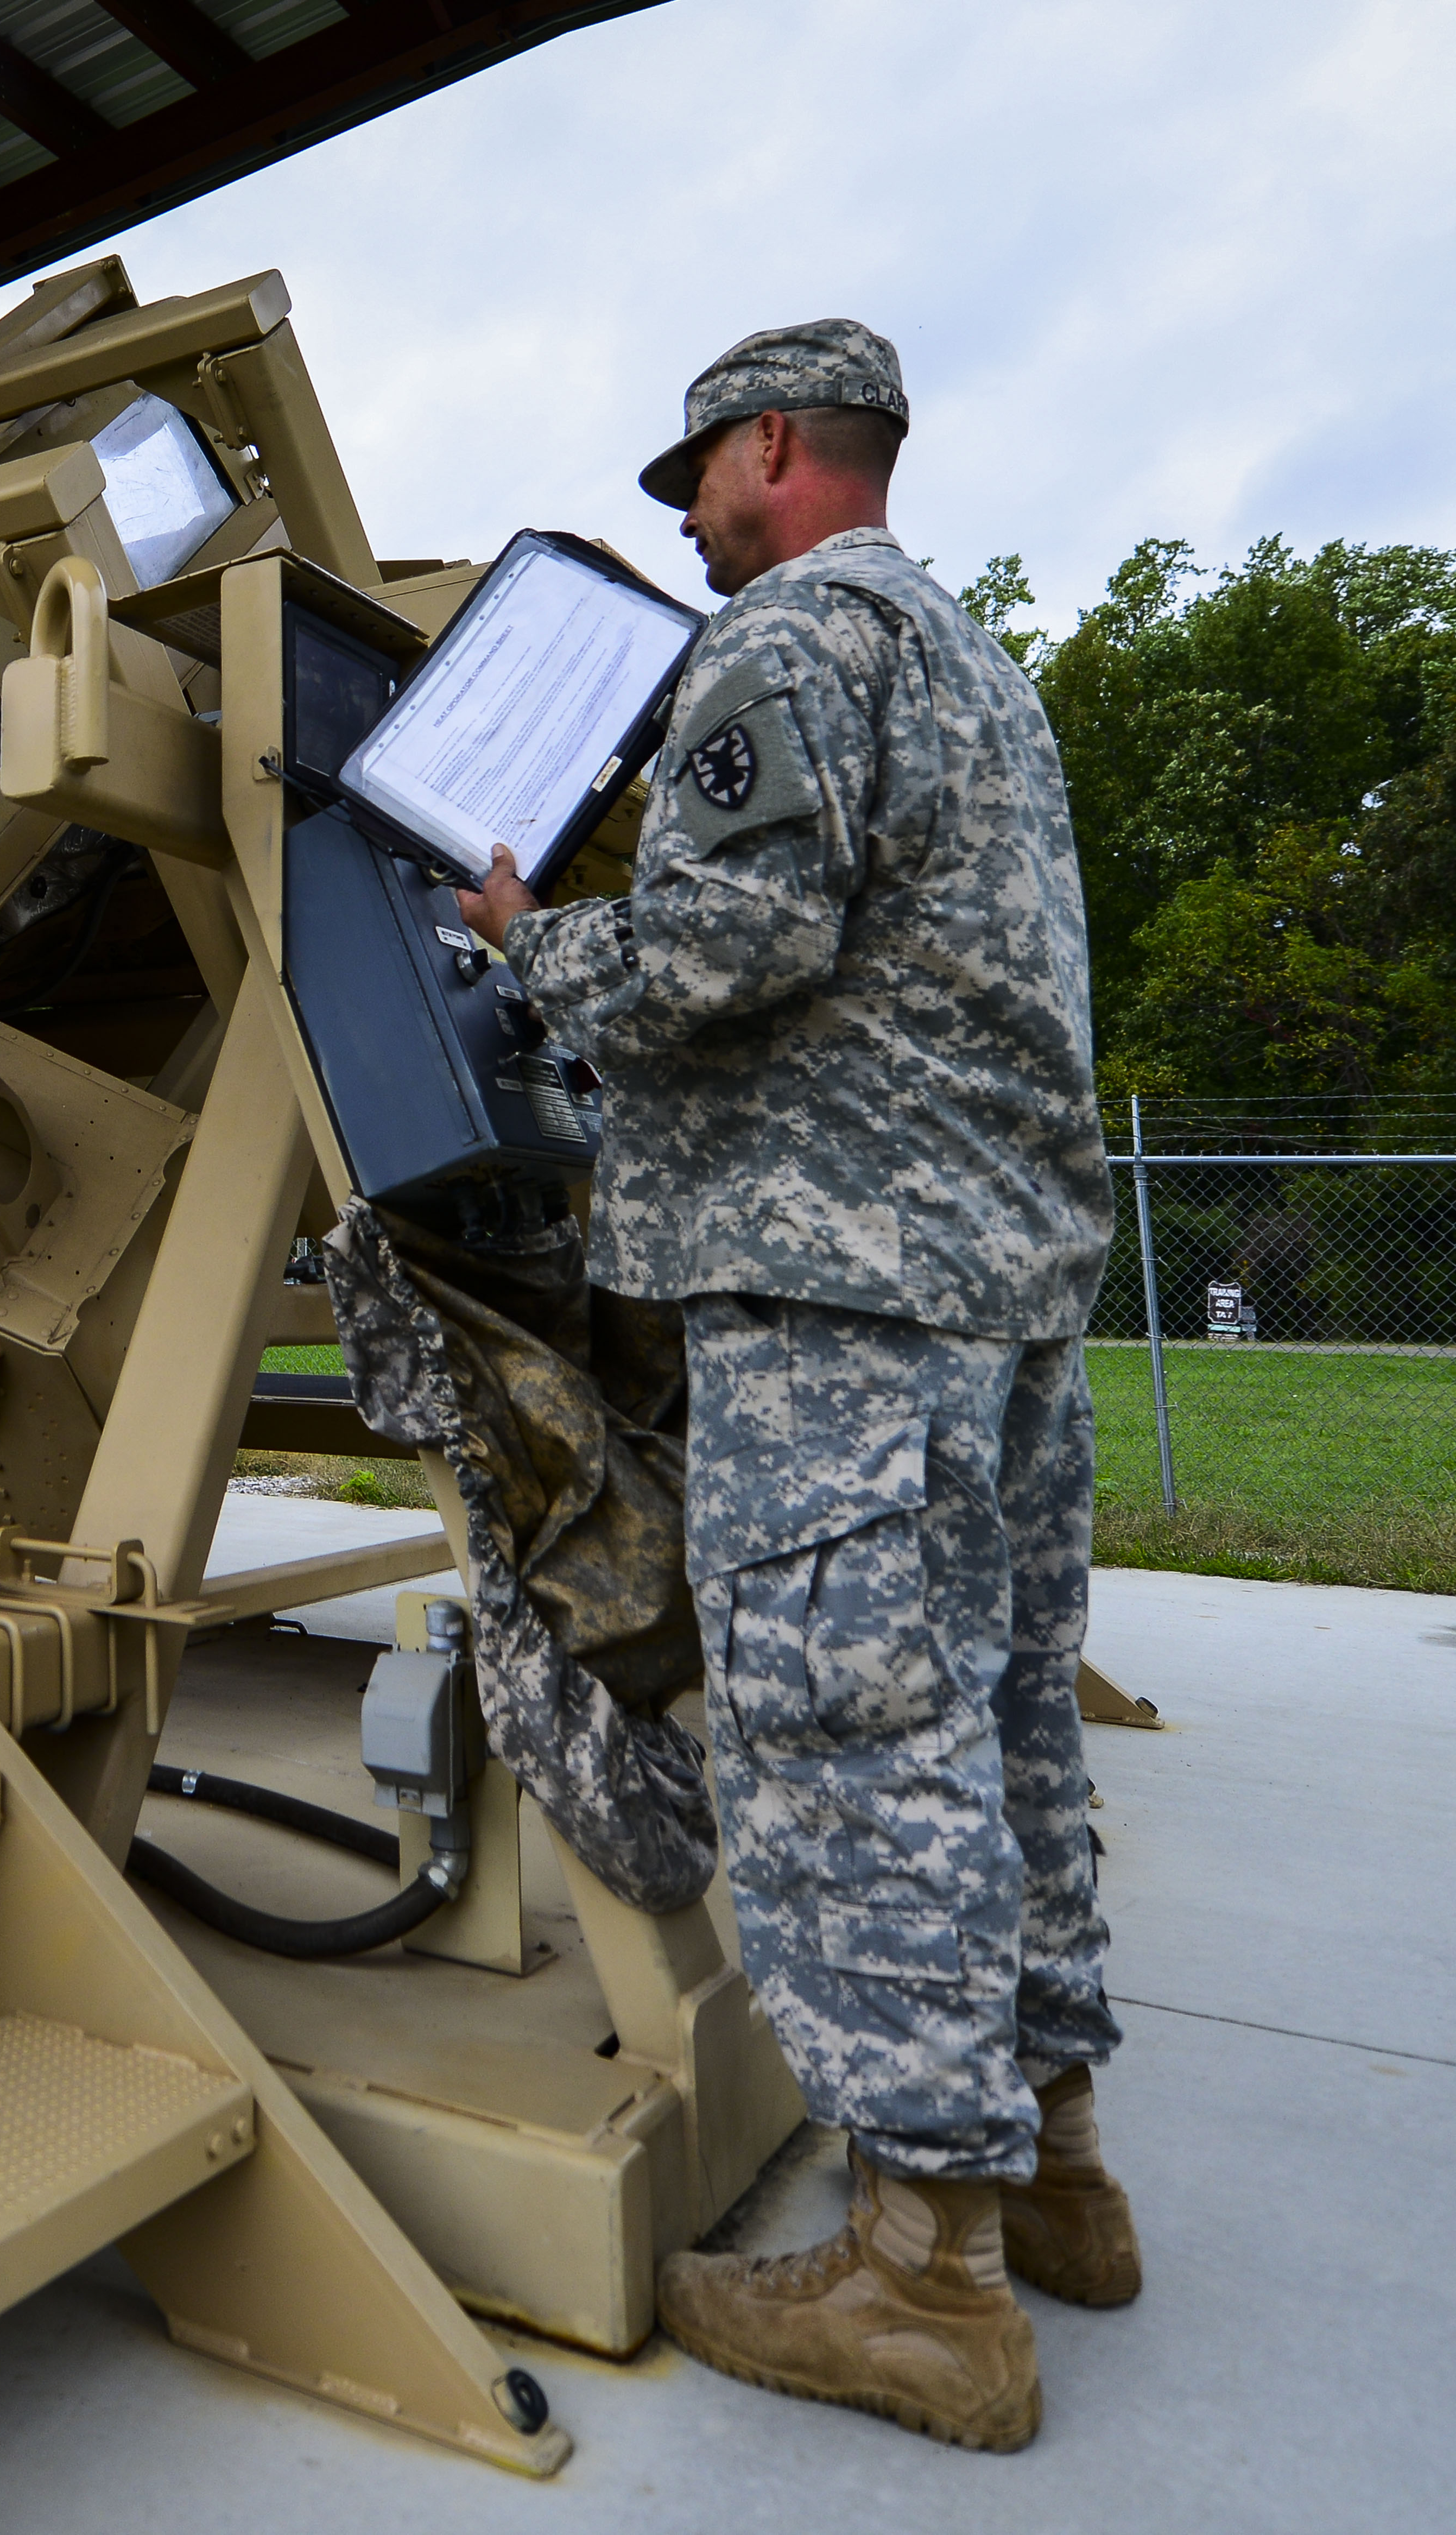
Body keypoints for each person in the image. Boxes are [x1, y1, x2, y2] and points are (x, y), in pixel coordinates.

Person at [458, 320, 1132, 2451]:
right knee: (1002, 1727)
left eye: (696, 486)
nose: (689, 527)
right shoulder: (974, 665)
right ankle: (1060, 2178)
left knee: (852, 1746)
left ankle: (925, 2278)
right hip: (1003, 1288)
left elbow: (718, 957)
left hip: (840, 1295)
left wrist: (526, 934)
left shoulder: (784, 642)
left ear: (772, 445)